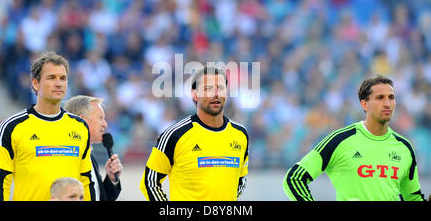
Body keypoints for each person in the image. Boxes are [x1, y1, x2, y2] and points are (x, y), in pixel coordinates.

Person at [283, 75, 425, 201]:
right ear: (364, 104)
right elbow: (294, 179)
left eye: (391, 97)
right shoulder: (339, 140)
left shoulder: (404, 147)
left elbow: (413, 198)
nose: (387, 103)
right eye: (380, 98)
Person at [0, 52, 95, 201]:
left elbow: (86, 180)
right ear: (35, 83)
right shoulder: (12, 127)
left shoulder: (80, 126)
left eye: (63, 78)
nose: (59, 83)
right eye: (51, 78)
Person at [140, 64, 249, 201]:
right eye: (208, 88)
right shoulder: (174, 135)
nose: (216, 93)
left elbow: (241, 181)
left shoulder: (241, 134)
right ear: (195, 94)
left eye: (220, 88)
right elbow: (149, 183)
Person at [64, 95, 123, 201]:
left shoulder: (90, 158)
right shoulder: (65, 156)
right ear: (81, 120)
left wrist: (111, 179)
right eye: (100, 118)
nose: (105, 124)